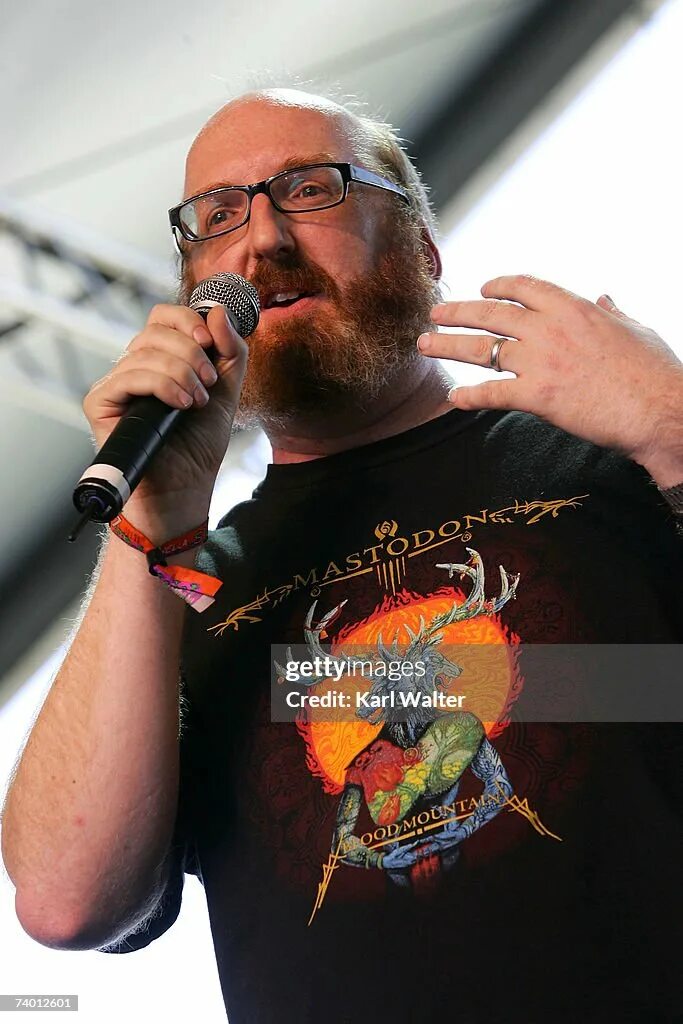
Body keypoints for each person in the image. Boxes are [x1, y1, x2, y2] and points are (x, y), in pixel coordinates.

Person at [2, 87, 682, 1024]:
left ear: (423, 252)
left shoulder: (609, 456)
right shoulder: (188, 588)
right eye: (218, 216)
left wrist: (673, 424)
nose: (262, 239)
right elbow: (63, 900)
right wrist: (149, 528)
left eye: (311, 189)